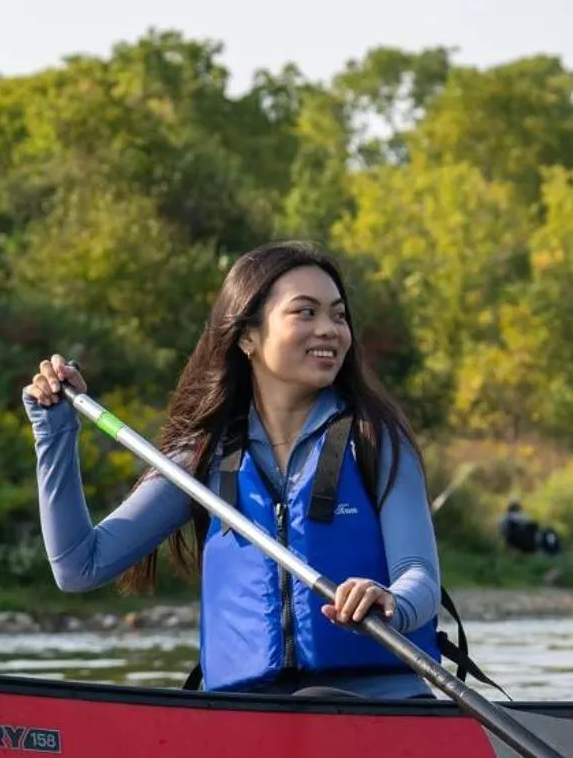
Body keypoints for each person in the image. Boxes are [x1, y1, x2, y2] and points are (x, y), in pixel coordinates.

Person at [22, 241, 442, 698]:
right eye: (306, 313)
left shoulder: (375, 438)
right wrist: (54, 434)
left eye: (339, 316)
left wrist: (391, 602)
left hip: (378, 705)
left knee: (323, 700)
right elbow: (80, 566)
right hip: (247, 716)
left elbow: (420, 576)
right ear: (247, 336)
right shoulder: (201, 456)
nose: (329, 330)